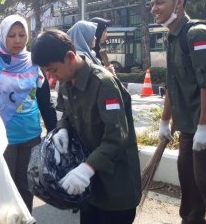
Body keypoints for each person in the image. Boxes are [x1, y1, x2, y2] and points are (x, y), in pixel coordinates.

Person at [31, 29, 141, 224]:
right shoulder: (67, 81)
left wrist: (87, 168)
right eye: (48, 72)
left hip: (115, 186)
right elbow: (67, 113)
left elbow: (117, 137)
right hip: (89, 187)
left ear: (70, 57)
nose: (53, 77)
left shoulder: (103, 84)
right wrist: (63, 128)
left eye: (53, 70)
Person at [0, 14, 57, 212]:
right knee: (3, 191)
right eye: (11, 35)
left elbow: (45, 102)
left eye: (22, 35)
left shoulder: (36, 62)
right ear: (3, 36)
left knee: (27, 189)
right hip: (2, 141)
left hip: (31, 137)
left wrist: (55, 132)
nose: (18, 40)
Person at [151, 0, 206, 223]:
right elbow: (173, 85)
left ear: (179, 2)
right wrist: (165, 121)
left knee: (203, 184)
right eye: (152, 4)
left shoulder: (196, 34)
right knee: (189, 190)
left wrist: (203, 128)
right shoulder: (172, 37)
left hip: (202, 129)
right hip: (187, 130)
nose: (154, 9)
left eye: (160, 3)